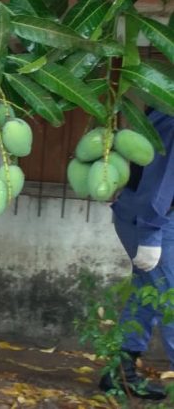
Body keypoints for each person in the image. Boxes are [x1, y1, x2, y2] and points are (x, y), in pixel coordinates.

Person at [101, 107, 174, 400]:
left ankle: (120, 373)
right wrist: (150, 231)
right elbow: (158, 180)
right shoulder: (171, 115)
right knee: (170, 301)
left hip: (149, 217)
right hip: (152, 220)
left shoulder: (164, 103)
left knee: (147, 296)